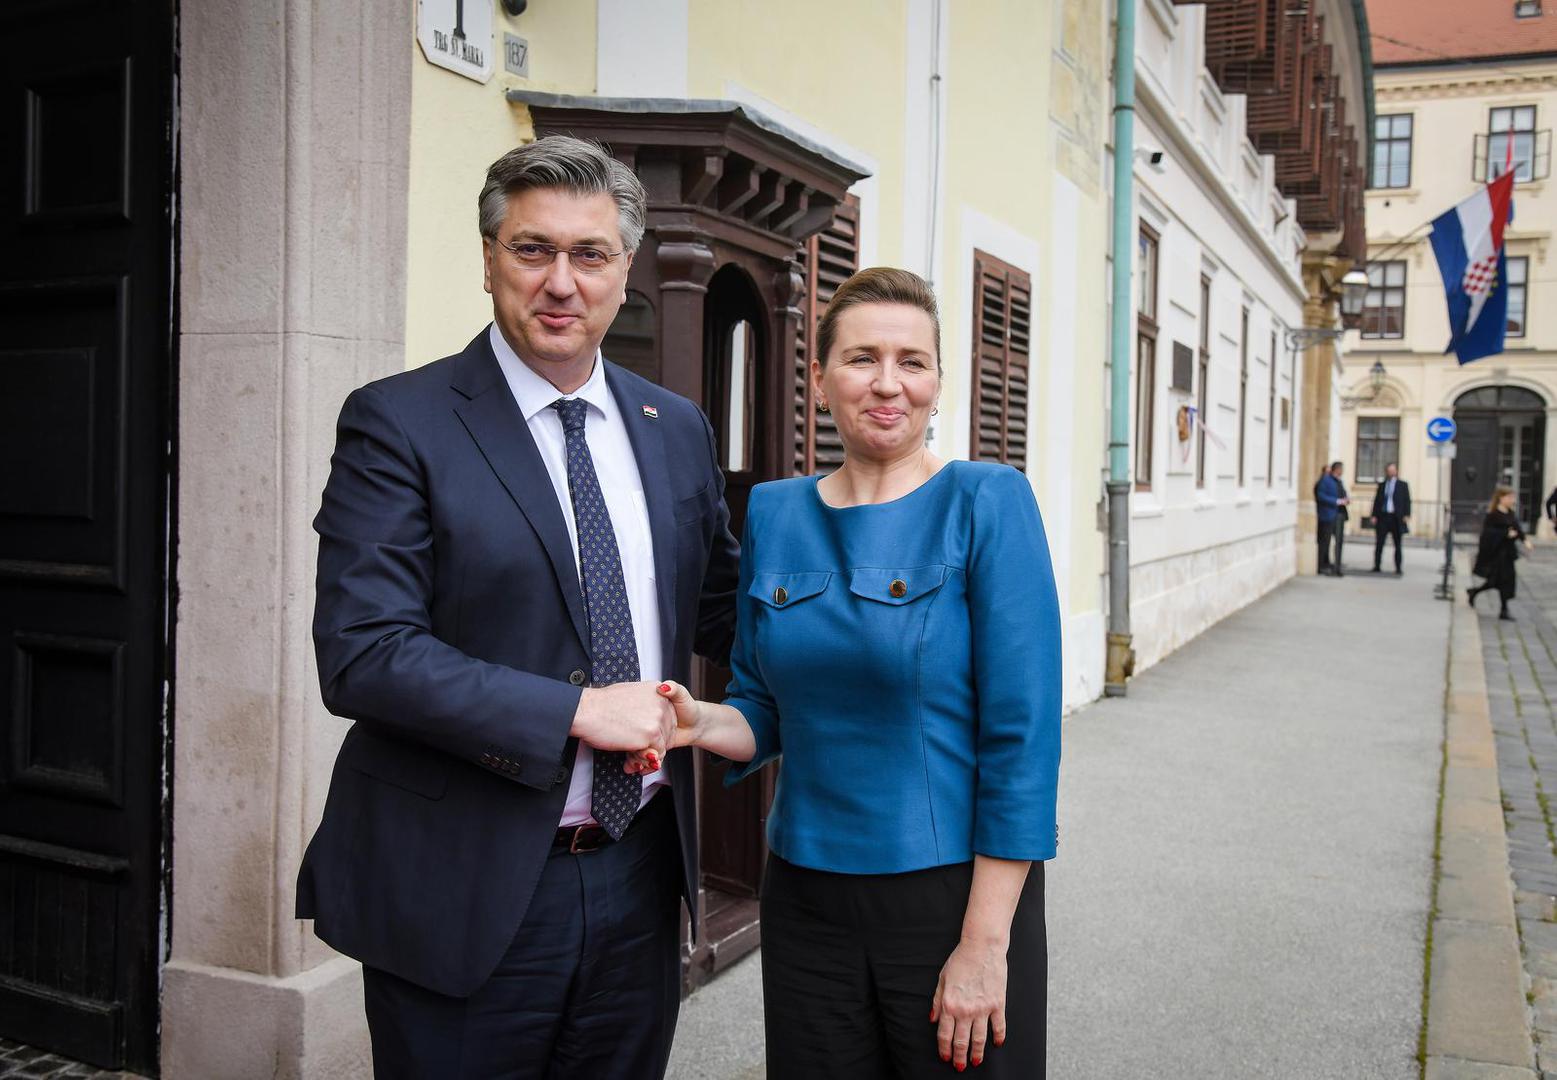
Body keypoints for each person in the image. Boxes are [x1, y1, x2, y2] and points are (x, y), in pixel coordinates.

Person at [297, 136, 741, 1077]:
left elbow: (724, 609)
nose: (560, 282)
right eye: (532, 250)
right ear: (490, 260)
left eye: (590, 255)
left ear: (626, 271)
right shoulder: (399, 421)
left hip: (639, 869)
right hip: (465, 883)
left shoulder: (675, 429)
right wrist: (580, 711)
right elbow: (363, 653)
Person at [641, 268, 1060, 1078]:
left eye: (912, 361)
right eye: (863, 358)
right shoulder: (774, 511)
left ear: (938, 383)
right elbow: (763, 705)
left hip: (947, 897)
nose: (888, 383)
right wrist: (699, 721)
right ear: (822, 377)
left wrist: (983, 944)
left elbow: (1022, 742)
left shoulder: (987, 500)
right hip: (803, 896)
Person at [1469, 485, 1532, 621]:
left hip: (1508, 554)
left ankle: (1496, 605)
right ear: (1501, 498)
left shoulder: (1510, 513)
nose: (1512, 500)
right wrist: (1505, 534)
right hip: (1497, 554)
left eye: (1512, 497)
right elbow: (1487, 534)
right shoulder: (1493, 515)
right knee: (1497, 581)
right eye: (1509, 497)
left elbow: (1517, 528)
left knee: (1504, 582)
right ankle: (1498, 607)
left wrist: (1525, 540)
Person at [1370, 463, 1411, 575]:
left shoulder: (1402, 485)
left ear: (1396, 471)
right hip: (1383, 517)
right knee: (1379, 543)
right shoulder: (1382, 485)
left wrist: (1406, 514)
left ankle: (1398, 567)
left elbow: (1407, 500)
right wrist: (1374, 515)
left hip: (1396, 518)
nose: (1391, 473)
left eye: (1392, 470)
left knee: (1397, 544)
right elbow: (1377, 501)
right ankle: (1377, 565)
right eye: (1389, 471)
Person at [1316, 461, 1350, 576]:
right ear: (1337, 469)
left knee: (1339, 541)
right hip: (1328, 515)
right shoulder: (1326, 480)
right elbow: (1320, 495)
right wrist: (1336, 501)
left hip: (1340, 514)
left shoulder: (1339, 482)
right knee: (1325, 541)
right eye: (1341, 469)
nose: (1342, 471)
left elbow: (1342, 494)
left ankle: (1337, 567)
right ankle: (1321, 565)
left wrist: (1346, 499)